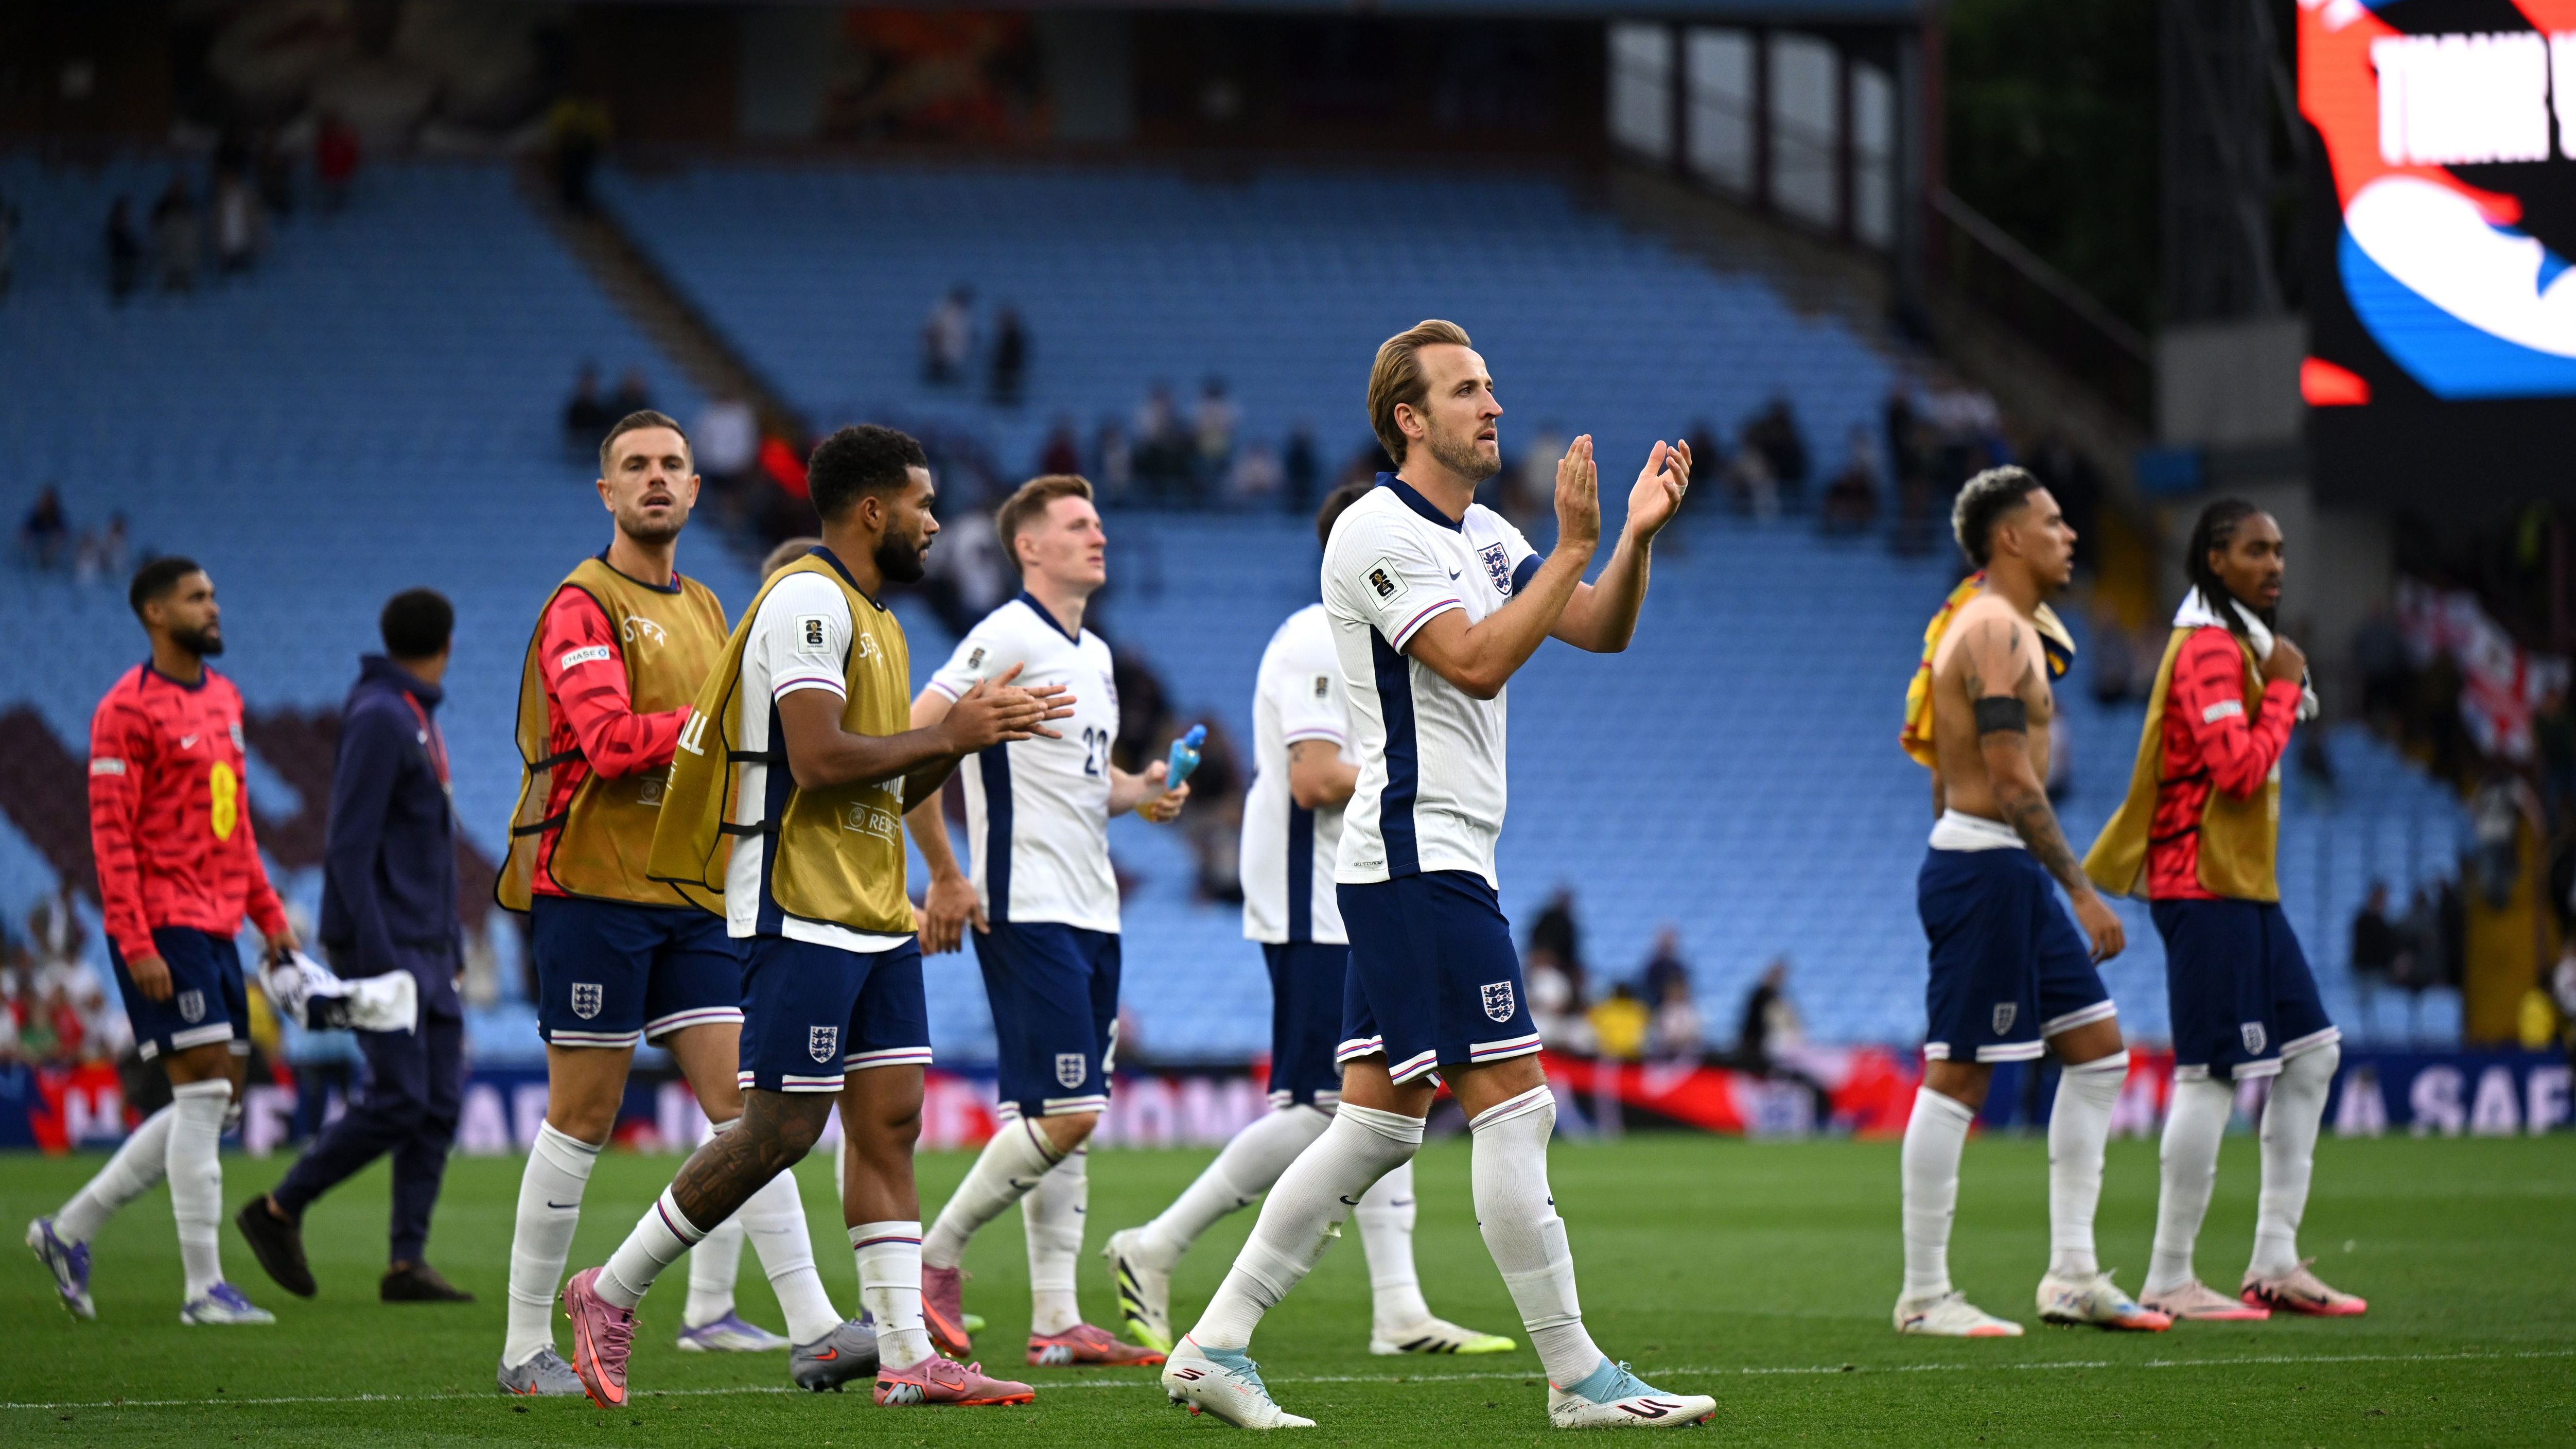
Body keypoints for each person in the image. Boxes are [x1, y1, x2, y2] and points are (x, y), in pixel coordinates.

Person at [1158, 318, 1712, 1430]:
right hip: (1419, 853)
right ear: (1409, 418)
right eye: (1467, 391)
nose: (1493, 406)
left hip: (1427, 856)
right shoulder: (1376, 529)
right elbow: (1472, 658)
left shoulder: (1488, 531)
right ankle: (1579, 1376)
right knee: (1517, 1109)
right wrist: (1568, 546)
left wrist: (1633, 539)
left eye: (1492, 386)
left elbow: (1595, 627)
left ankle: (1213, 1345)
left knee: (1372, 1126)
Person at [562, 424, 1063, 1411]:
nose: (933, 522)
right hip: (797, 899)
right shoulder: (805, 599)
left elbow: (893, 767)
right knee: (782, 1129)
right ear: (873, 510)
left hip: (872, 905)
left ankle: (908, 1354)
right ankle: (608, 1292)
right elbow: (822, 759)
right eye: (921, 504)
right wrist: (947, 728)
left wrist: (965, 740)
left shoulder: (875, 617)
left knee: (890, 1124)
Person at [1102, 480, 1513, 1361]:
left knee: (1384, 1089)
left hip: (1365, 888)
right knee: (1330, 1105)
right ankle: (1159, 1243)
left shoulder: (1375, 635)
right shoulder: (1316, 638)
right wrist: (1423, 768)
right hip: (1314, 888)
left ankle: (1399, 1308)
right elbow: (1317, 777)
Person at [490, 412, 826, 1396]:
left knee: (750, 1109)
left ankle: (813, 1327)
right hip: (593, 887)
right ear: (606, 493)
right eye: (635, 466)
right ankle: (521, 1350)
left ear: (693, 488)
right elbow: (603, 740)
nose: (655, 479)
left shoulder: (712, 607)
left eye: (672, 465)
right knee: (582, 1116)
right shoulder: (581, 604)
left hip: (690, 892)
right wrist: (709, 728)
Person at [905, 474, 1188, 1368]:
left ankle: (1057, 1320)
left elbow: (1078, 785)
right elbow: (915, 741)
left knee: (1054, 1110)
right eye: (1077, 524)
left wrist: (1139, 792)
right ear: (1030, 547)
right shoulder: (1003, 636)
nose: (1098, 534)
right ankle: (932, 1260)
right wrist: (945, 875)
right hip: (1024, 904)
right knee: (1071, 1113)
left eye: (1099, 520)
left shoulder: (1095, 655)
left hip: (1091, 909)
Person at [1897, 465, 2166, 1337]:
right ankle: (1925, 1295)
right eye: (2053, 522)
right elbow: (2011, 782)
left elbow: (1949, 772)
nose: (2071, 535)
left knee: (2097, 1052)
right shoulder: (1994, 635)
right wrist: (2082, 892)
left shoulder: (1986, 625)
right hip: (1991, 869)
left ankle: (2074, 1274)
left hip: (1994, 867)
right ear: (2008, 538)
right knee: (1961, 1076)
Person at [2083, 498, 2362, 1322]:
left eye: (2278, 550)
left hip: (2244, 887)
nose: (2274, 563)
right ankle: (2169, 1273)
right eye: (2253, 550)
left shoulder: (2240, 642)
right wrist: (2280, 691)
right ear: (2213, 561)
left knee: (2312, 1054)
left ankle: (2274, 1257)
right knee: (2211, 1073)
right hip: (2199, 884)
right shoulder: (2207, 647)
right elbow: (2237, 769)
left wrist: (2275, 676)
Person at [27, 557, 299, 1325]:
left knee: (218, 1104)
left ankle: (69, 1228)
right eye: (196, 597)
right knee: (208, 1092)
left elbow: (236, 822)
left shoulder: (224, 698)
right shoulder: (125, 710)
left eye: (214, 593)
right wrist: (132, 935)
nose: (213, 607)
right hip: (162, 922)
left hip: (218, 922)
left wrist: (270, 916)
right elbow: (109, 836)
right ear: (154, 611)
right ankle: (203, 1288)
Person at [236, 590, 471, 1303]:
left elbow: (427, 848)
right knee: (401, 1096)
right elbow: (347, 845)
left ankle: (406, 1261)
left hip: (428, 945)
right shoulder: (380, 716)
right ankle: (278, 1208)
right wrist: (371, 954)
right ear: (447, 643)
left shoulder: (412, 715)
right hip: (389, 946)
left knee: (437, 1103)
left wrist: (451, 940)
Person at [2350, 882, 2397, 1029]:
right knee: (2366, 1006)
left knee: (2383, 1007)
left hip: (2380, 973)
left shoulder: (2385, 923)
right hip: (2366, 972)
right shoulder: (2363, 921)